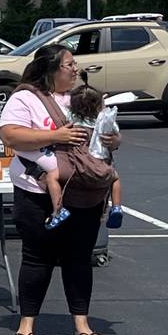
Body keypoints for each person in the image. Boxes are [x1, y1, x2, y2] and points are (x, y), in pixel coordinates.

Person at [0, 43, 118, 335]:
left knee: (79, 258)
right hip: (36, 191)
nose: (75, 69)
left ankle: (81, 321)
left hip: (84, 191)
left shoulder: (85, 98)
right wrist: (56, 136)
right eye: (69, 64)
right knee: (37, 257)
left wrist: (114, 139)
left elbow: (108, 133)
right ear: (51, 69)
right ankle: (27, 323)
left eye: (74, 64)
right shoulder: (25, 98)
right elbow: (11, 136)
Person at [70, 84, 124, 228]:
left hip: (79, 167)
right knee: (115, 178)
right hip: (101, 164)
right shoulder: (103, 122)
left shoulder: (72, 123)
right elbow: (115, 132)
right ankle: (117, 207)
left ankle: (58, 208)